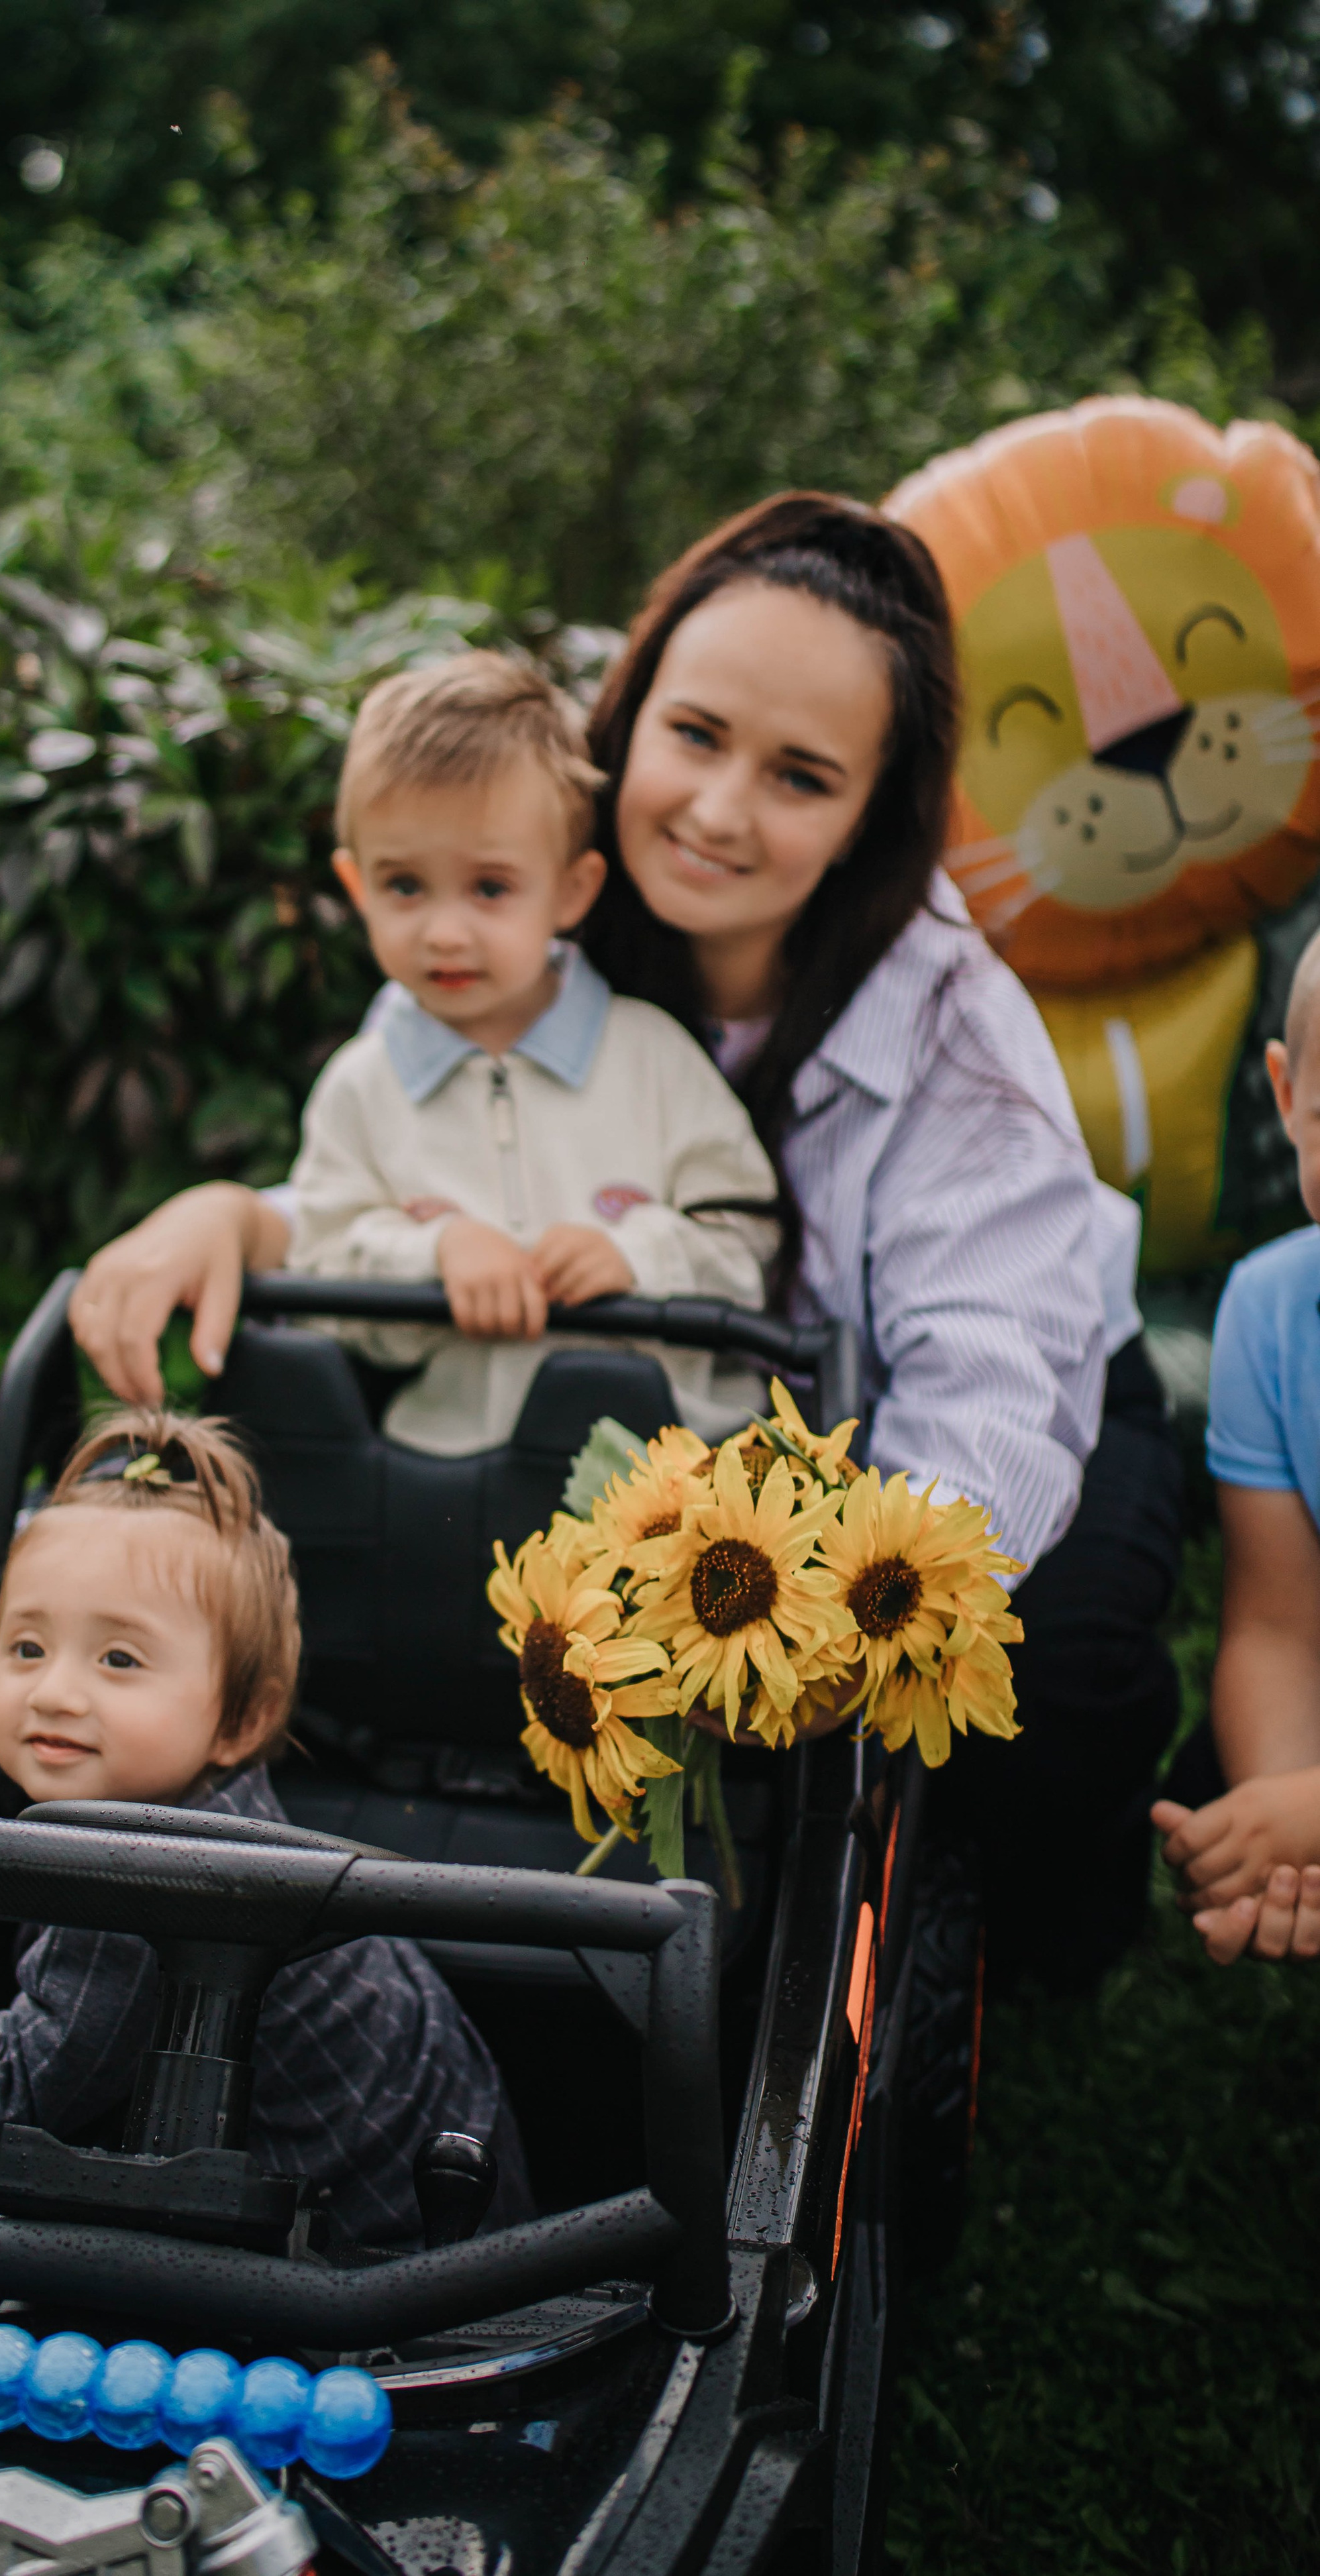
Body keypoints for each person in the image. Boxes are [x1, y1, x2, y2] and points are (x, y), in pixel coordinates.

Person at [69, 494, 1182, 1994]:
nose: (721, 811)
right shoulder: (530, 918)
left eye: (799, 777)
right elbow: (396, 1167)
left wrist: (838, 1615)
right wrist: (235, 1214)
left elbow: (984, 1387)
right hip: (683, 1431)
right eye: (696, 736)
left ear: (870, 808)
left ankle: (1039, 1945)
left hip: (997, 1401)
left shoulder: (945, 1029)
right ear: (629, 715)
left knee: (1046, 1694)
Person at [0, 1411, 525, 2245]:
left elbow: (15, 2096)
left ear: (240, 1718)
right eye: (26, 1649)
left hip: (370, 2267)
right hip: (456, 2145)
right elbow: (105, 1745)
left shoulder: (152, 1879)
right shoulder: (192, 1782)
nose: (55, 1695)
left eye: (118, 1661)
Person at [285, 650, 776, 1454]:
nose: (444, 931)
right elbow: (318, 1278)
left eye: (489, 888)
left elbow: (750, 1241)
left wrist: (633, 1253)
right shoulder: (361, 1088)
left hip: (678, 1475)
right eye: (404, 886)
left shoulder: (652, 1058)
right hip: (451, 1476)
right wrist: (436, 1253)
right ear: (356, 886)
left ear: (571, 891)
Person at [1154, 928, 1320, 1967]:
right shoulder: (1268, 1309)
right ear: (1290, 1093)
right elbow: (1277, 1624)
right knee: (1225, 1765)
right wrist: (1279, 1816)